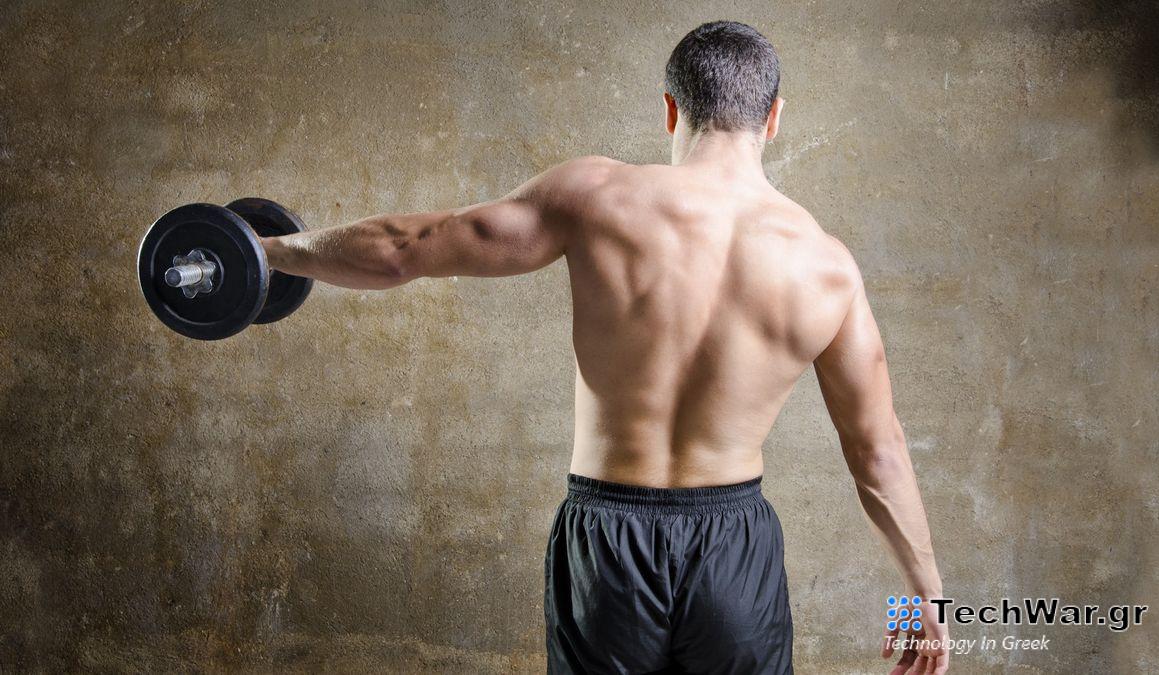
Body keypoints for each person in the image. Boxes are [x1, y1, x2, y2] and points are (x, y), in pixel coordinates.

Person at [261, 20, 947, 675]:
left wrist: (263, 253)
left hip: (608, 542)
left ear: (671, 110)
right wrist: (926, 593)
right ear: (774, 119)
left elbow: (404, 250)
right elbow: (878, 450)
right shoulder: (827, 267)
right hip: (735, 549)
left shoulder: (597, 197)